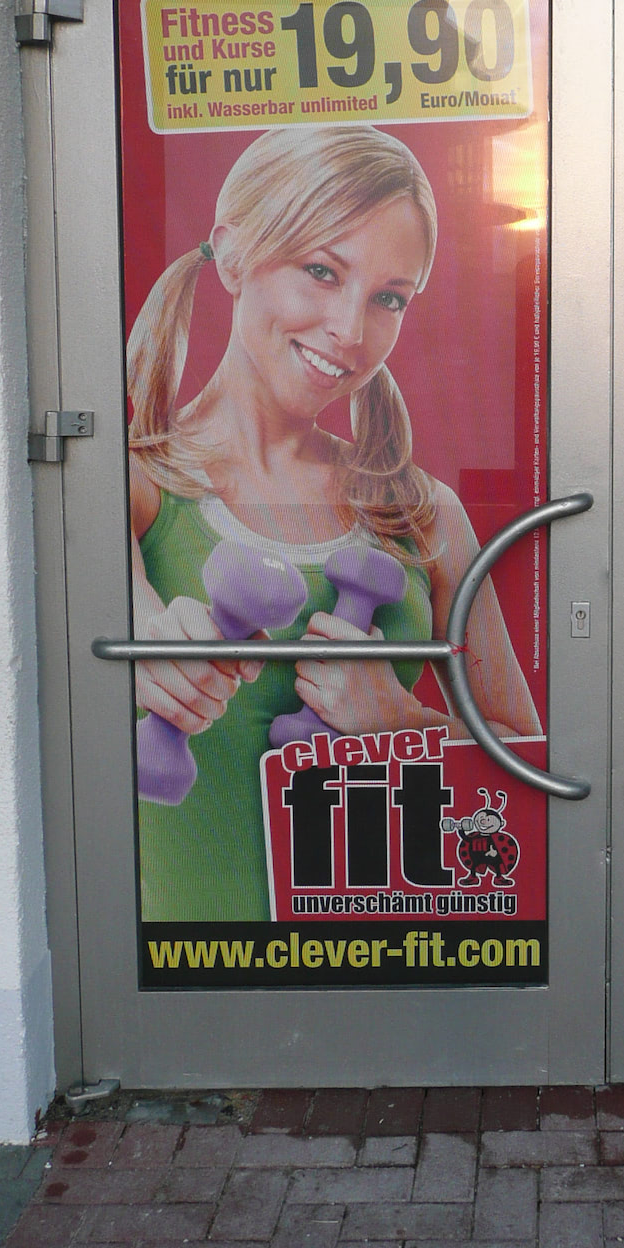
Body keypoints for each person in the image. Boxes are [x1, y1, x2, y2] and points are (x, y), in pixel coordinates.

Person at [126, 123, 539, 923]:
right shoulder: (142, 481)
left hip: (393, 959)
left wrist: (403, 720)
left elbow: (530, 766)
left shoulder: (423, 512)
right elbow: (103, 588)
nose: (352, 330)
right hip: (197, 973)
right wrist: (147, 637)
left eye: (389, 297)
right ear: (233, 255)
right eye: (322, 271)